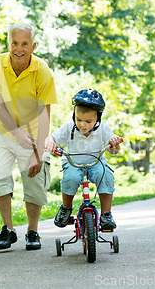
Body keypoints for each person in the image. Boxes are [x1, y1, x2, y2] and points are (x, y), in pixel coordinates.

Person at [0, 22, 57, 250]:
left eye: (24, 44)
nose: (19, 48)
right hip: (5, 130)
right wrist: (16, 133)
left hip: (35, 132)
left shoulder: (42, 70)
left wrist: (37, 152)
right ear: (9, 43)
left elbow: (45, 113)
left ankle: (33, 231)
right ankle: (8, 229)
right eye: (14, 43)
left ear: (33, 46)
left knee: (34, 176)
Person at [45, 89, 122, 230]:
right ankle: (66, 209)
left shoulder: (103, 128)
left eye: (88, 121)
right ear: (74, 115)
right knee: (71, 177)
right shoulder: (69, 127)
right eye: (78, 119)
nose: (82, 124)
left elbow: (114, 150)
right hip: (74, 163)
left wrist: (114, 144)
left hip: (96, 162)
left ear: (98, 119)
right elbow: (53, 137)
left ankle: (106, 214)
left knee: (105, 175)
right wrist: (50, 141)